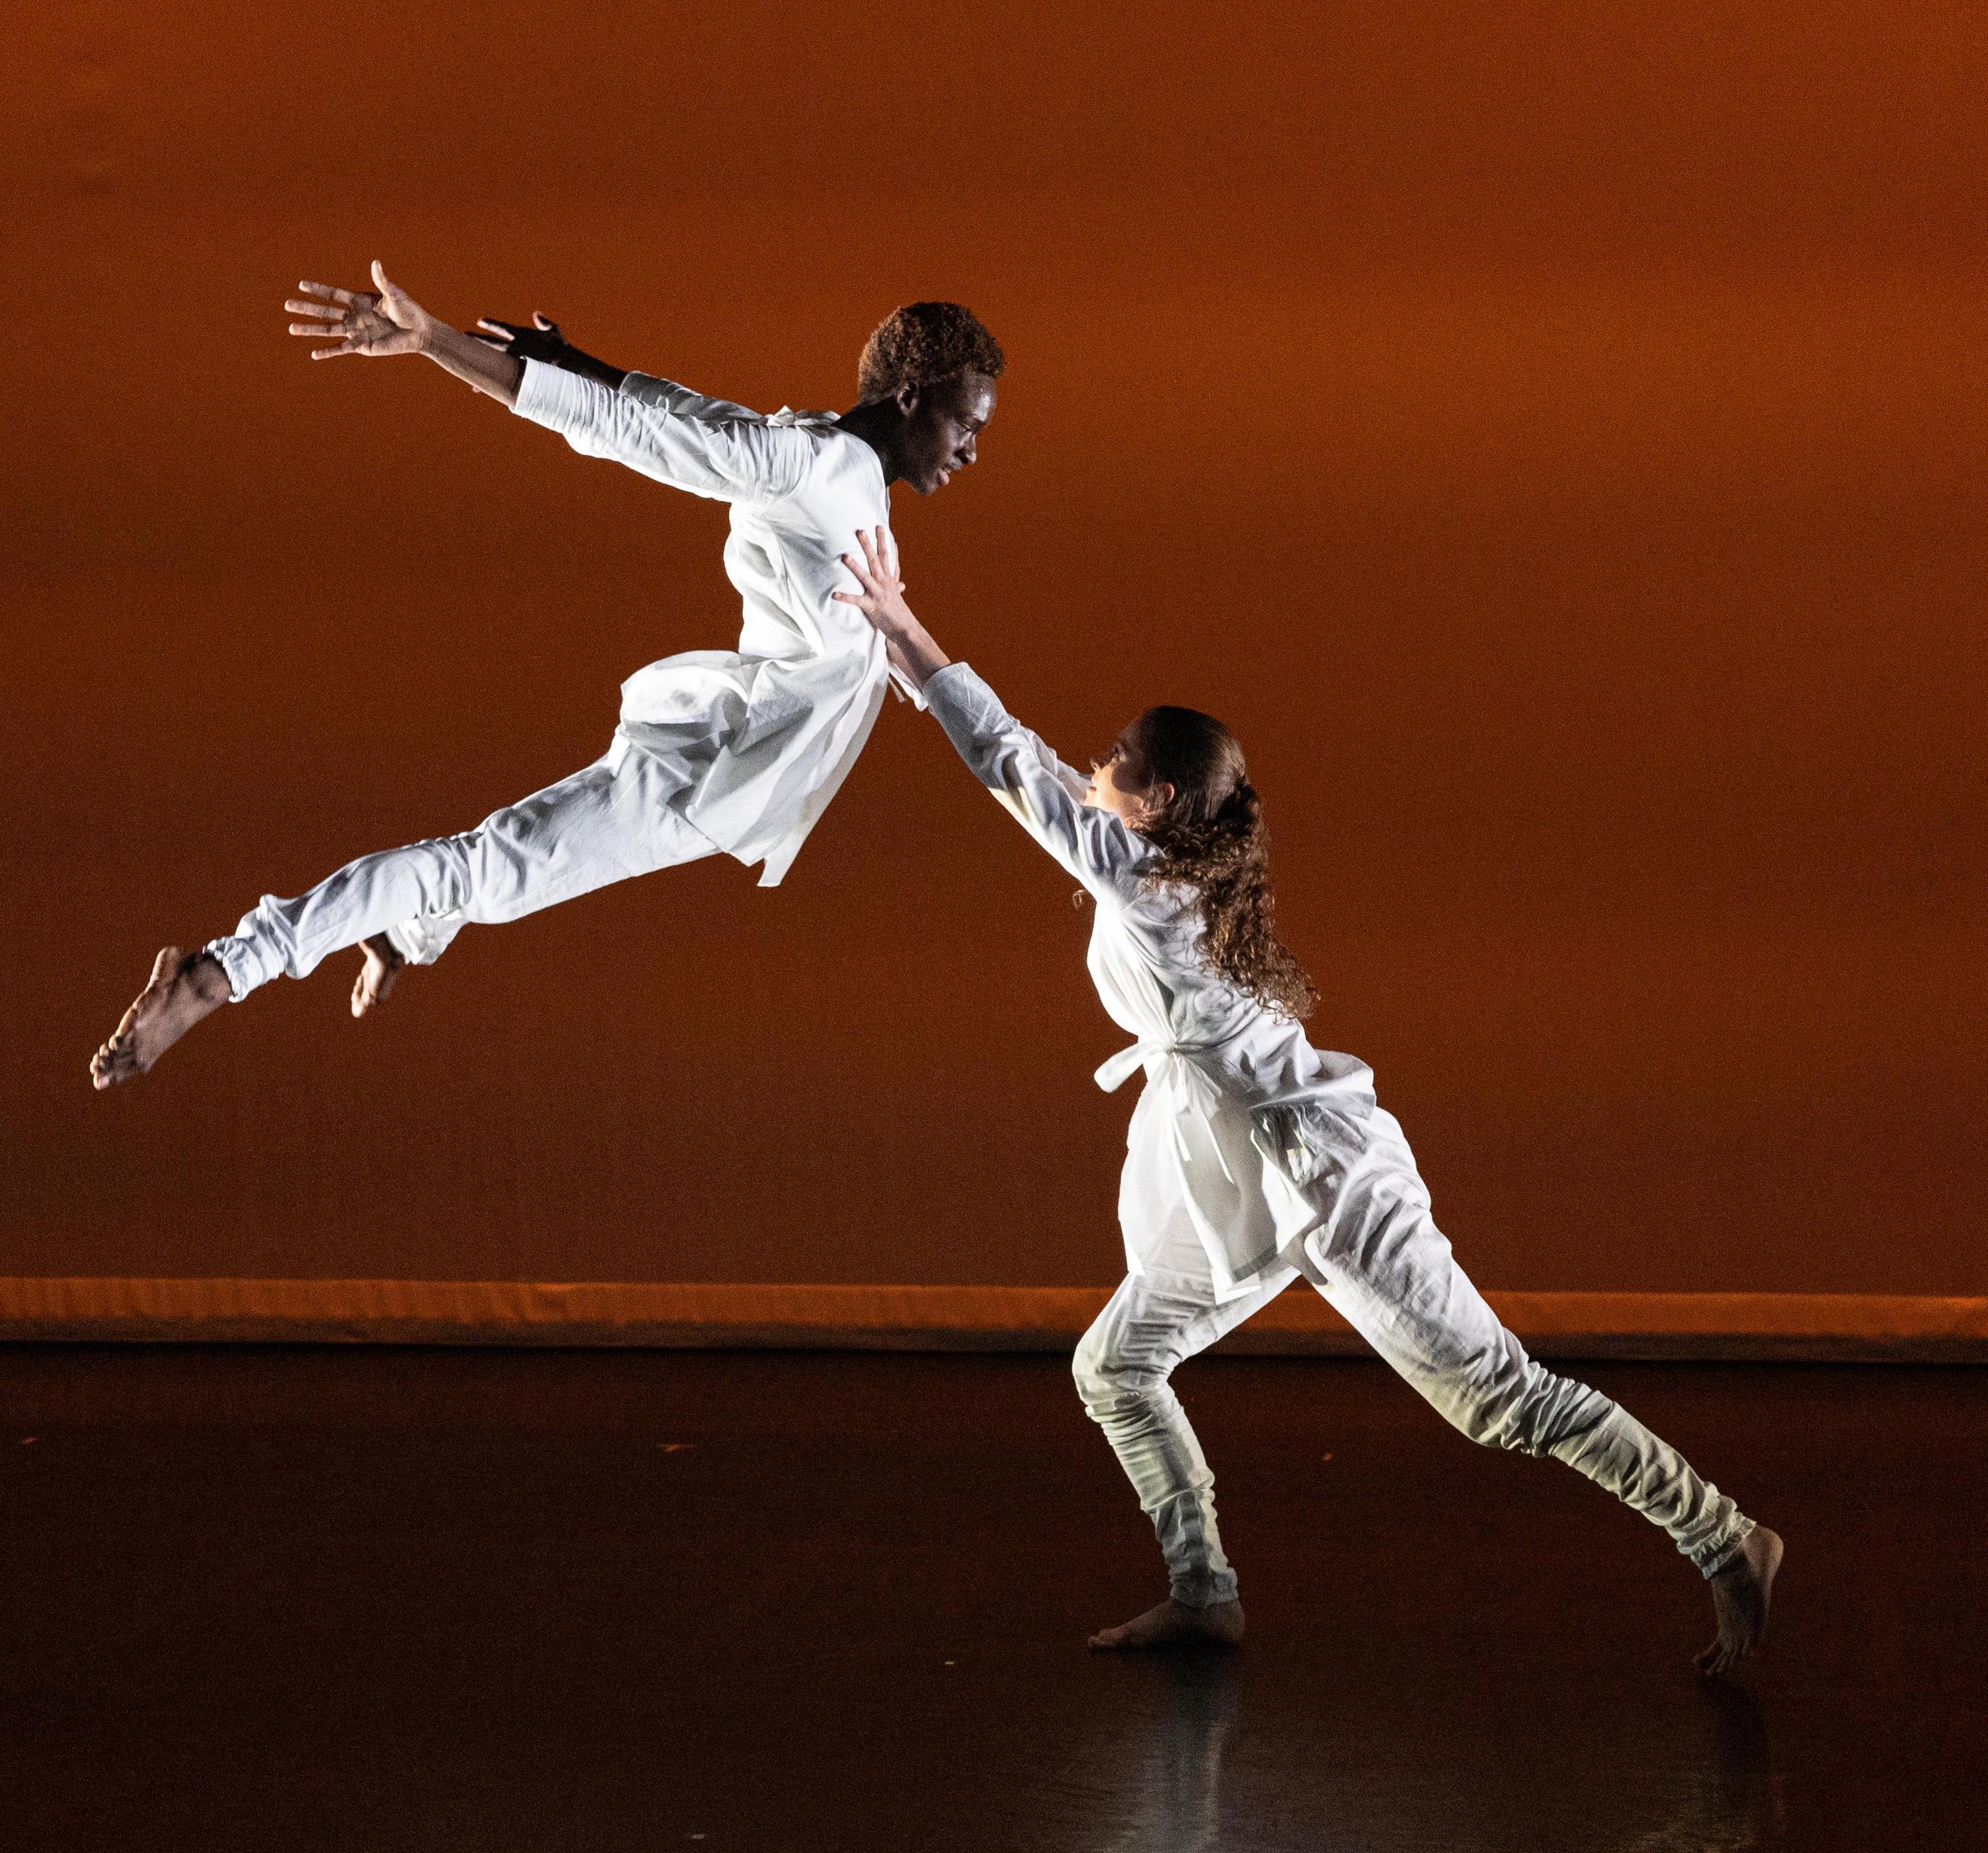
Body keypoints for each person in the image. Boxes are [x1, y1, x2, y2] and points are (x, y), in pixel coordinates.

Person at [828, 525, 1783, 1671]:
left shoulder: (1148, 882)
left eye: (1114, 756)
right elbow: (1022, 763)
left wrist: (912, 635)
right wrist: (889, 658)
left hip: (1324, 1174)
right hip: (1228, 1171)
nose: (1094, 764)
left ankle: (1726, 1539)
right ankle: (1204, 1591)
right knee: (1115, 1367)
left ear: (1158, 794)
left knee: (1498, 1398)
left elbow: (1013, 768)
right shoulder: (1163, 871)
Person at [89, 267, 1002, 1087]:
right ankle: (216, 971)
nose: (970, 450)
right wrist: (437, 341)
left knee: (481, 872)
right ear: (914, 398)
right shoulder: (810, 464)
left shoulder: (818, 451)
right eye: (966, 424)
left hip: (724, 759)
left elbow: (679, 409)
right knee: (483, 868)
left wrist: (578, 360)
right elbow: (635, 433)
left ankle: (404, 929)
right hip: (704, 774)